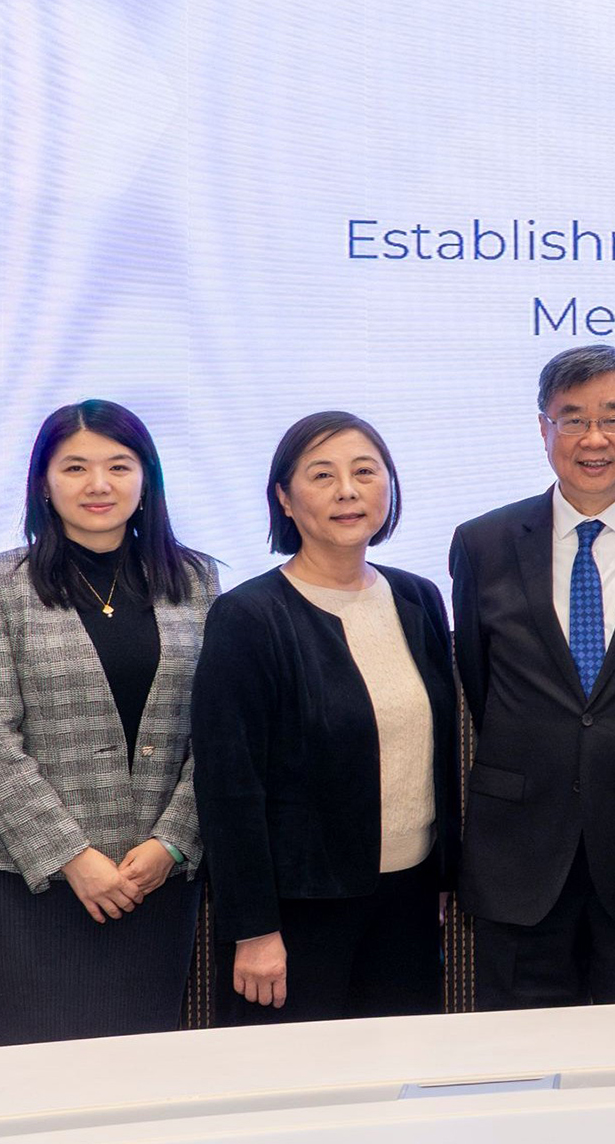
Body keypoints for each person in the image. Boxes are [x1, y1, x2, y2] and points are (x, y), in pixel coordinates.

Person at [448, 346, 615, 1007]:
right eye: (571, 419)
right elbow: (481, 684)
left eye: (613, 416)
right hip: (520, 860)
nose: (593, 439)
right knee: (518, 1069)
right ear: (543, 429)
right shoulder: (483, 543)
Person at [0, 401, 218, 1044]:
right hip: (35, 885)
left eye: (119, 466)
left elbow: (218, 731)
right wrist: (73, 858)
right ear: (44, 482)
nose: (99, 485)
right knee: (36, 1079)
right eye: (75, 467)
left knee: (143, 1076)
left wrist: (173, 843)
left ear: (146, 479)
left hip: (158, 878)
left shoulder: (196, 579)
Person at [192, 412, 461, 1023]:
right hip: (298, 914)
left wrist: (443, 877)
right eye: (322, 475)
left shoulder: (418, 597)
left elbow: (437, 753)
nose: (348, 490)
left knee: (402, 1083)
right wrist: (254, 930)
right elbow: (229, 788)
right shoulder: (249, 617)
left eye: (365, 472)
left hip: (411, 900)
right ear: (285, 500)